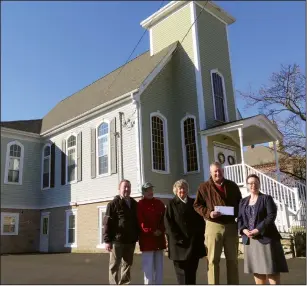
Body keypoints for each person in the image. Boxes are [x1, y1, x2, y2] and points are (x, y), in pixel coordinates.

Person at [193, 162, 242, 285]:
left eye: (219, 170)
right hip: (213, 226)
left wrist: (235, 214)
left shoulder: (232, 186)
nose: (217, 173)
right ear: (211, 172)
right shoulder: (203, 187)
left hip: (231, 225)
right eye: (215, 171)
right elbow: (197, 205)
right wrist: (209, 213)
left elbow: (241, 204)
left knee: (233, 260)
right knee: (213, 260)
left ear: (223, 171)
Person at [238, 174, 289, 284]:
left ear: (259, 184)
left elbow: (271, 216)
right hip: (251, 242)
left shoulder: (266, 199)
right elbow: (240, 219)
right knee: (258, 274)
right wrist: (243, 230)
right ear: (247, 185)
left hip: (266, 240)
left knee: (272, 272)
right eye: (250, 183)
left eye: (256, 183)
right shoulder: (243, 202)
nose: (253, 185)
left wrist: (258, 229)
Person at [164, 179, 206, 285]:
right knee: (181, 276)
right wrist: (178, 239)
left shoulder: (194, 203)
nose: (182, 190)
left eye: (184, 188)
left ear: (187, 189)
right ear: (175, 190)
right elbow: (168, 225)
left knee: (192, 274)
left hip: (193, 245)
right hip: (179, 246)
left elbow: (201, 223)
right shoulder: (171, 204)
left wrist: (199, 238)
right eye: (180, 188)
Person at [103, 179, 139, 285]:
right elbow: (107, 223)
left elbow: (137, 221)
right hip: (117, 241)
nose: (127, 189)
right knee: (114, 266)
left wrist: (137, 236)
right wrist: (107, 240)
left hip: (130, 241)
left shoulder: (134, 204)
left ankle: (124, 284)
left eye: (128, 187)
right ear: (119, 189)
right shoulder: (113, 204)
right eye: (125, 187)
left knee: (127, 265)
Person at [137, 182, 166, 285]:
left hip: (159, 241)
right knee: (148, 271)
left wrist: (161, 230)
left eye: (151, 190)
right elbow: (141, 223)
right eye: (147, 190)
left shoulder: (159, 203)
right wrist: (152, 232)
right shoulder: (140, 204)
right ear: (143, 192)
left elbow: (164, 219)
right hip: (147, 242)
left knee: (159, 270)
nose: (150, 192)